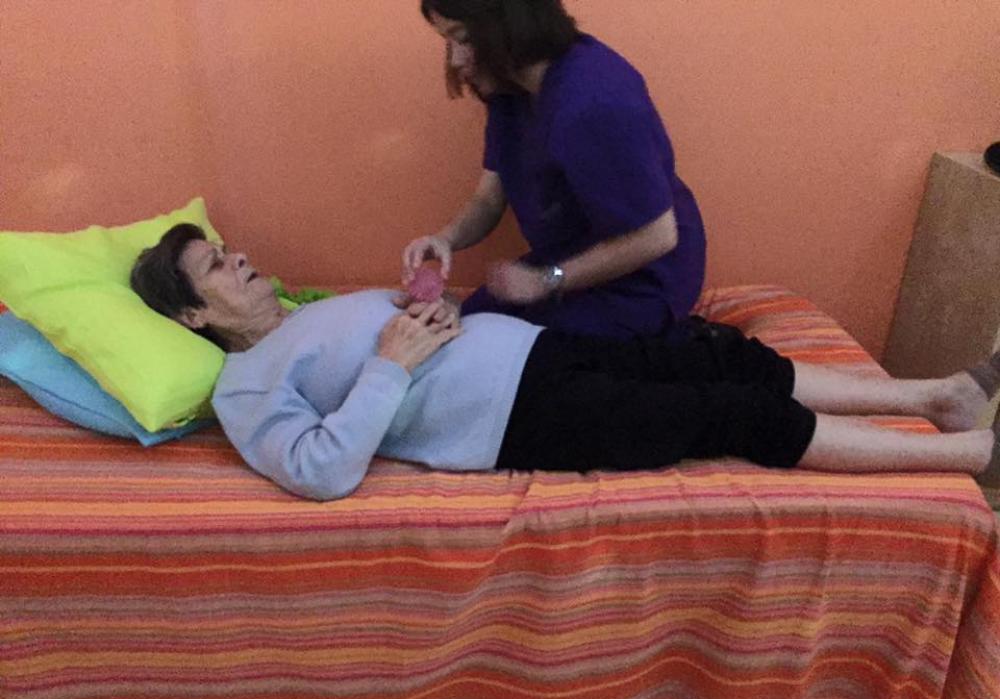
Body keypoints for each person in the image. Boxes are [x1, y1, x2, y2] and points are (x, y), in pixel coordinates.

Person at [132, 224, 999, 501]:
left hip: (532, 349)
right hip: (517, 416)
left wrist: (426, 305)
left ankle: (939, 396)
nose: (239, 259)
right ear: (194, 314)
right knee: (732, 415)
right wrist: (390, 364)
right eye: (216, 266)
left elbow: (402, 330)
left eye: (227, 251)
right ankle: (971, 454)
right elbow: (321, 472)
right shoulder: (243, 388)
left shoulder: (304, 310)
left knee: (720, 353)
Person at [401, 0, 706, 340]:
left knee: (493, 345)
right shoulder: (510, 93)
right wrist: (445, 239)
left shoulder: (594, 100)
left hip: (646, 280)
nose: (456, 60)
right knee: (466, 324)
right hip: (570, 257)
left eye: (464, 38)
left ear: (512, 25)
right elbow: (488, 199)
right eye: (448, 41)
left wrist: (546, 280)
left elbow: (657, 236)